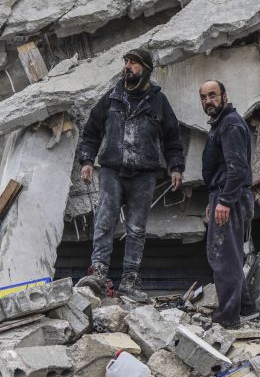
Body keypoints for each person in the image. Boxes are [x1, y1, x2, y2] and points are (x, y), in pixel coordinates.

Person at [75, 48, 185, 300]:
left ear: (145, 69)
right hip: (112, 170)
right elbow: (91, 131)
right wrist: (87, 161)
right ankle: (99, 273)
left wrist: (176, 166)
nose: (128, 67)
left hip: (144, 175)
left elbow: (172, 138)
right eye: (126, 62)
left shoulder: (158, 101)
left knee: (136, 228)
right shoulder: (112, 97)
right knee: (105, 221)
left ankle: (130, 280)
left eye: (134, 63)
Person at [198, 79, 257, 328]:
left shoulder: (230, 124)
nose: (208, 101)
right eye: (203, 97)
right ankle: (245, 307)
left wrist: (224, 200)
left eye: (213, 95)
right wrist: (215, 198)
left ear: (224, 95)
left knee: (223, 258)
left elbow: (237, 168)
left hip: (230, 196)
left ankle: (229, 317)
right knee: (230, 255)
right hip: (225, 195)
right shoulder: (221, 124)